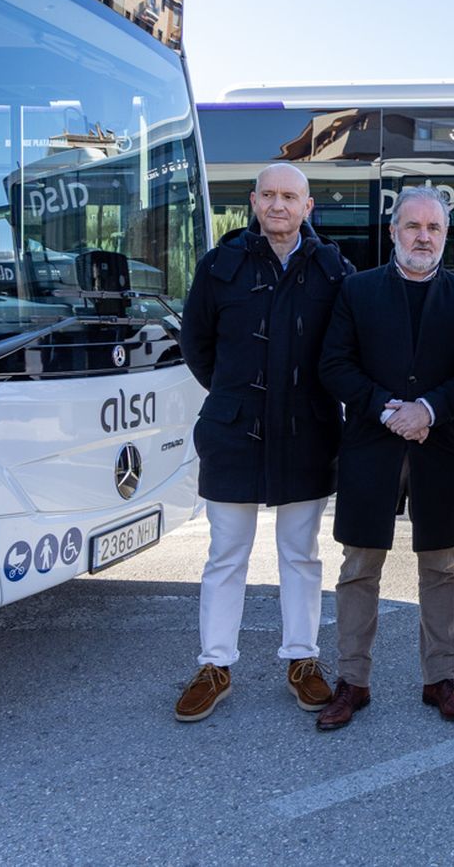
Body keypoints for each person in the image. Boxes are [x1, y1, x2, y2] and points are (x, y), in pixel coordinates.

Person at [173, 164, 350, 722]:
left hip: (307, 433)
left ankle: (302, 660)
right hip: (233, 432)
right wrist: (235, 397)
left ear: (308, 205)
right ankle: (215, 666)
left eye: (290, 196)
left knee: (301, 553)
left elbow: (343, 349)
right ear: (253, 201)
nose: (279, 204)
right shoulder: (219, 266)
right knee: (226, 554)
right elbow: (197, 346)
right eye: (269, 195)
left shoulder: (332, 269)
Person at [314, 187, 454, 731]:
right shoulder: (357, 291)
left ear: (445, 235)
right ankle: (352, 681)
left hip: (439, 448)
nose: (423, 237)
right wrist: (387, 410)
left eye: (433, 229)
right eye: (412, 226)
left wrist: (430, 410)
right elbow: (334, 364)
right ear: (393, 232)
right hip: (373, 445)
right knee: (360, 565)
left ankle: (441, 680)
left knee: (441, 566)